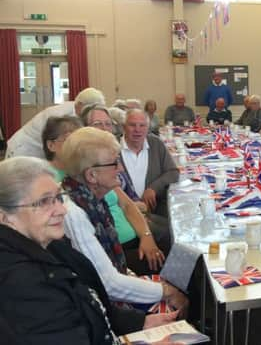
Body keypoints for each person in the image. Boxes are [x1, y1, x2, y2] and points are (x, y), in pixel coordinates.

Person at [0, 157, 179, 343]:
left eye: (58, 198)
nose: (62, 210)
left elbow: (88, 305)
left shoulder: (51, 245)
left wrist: (141, 322)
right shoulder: (19, 283)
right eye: (44, 202)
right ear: (5, 217)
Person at [60, 127, 187, 309]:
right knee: (182, 271)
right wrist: (167, 291)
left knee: (182, 256)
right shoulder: (74, 214)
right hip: (100, 305)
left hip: (118, 272)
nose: (120, 168)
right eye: (114, 163)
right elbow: (108, 283)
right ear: (91, 175)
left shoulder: (90, 197)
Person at [42, 115, 168, 275]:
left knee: (176, 240)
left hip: (128, 239)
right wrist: (162, 291)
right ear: (51, 145)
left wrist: (146, 235)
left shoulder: (97, 177)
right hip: (117, 252)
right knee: (175, 253)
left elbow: (128, 205)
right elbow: (105, 276)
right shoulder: (62, 192)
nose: (121, 169)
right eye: (70, 140)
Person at [6, 87, 105, 158]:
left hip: (39, 150)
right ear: (80, 104)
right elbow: (60, 146)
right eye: (89, 109)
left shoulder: (76, 110)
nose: (91, 113)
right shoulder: (60, 115)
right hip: (24, 149)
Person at [120, 110, 180, 217]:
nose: (137, 130)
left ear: (148, 128)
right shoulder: (114, 148)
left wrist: (153, 188)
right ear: (124, 127)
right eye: (132, 125)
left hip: (154, 212)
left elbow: (173, 172)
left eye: (142, 125)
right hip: (124, 214)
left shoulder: (156, 144)